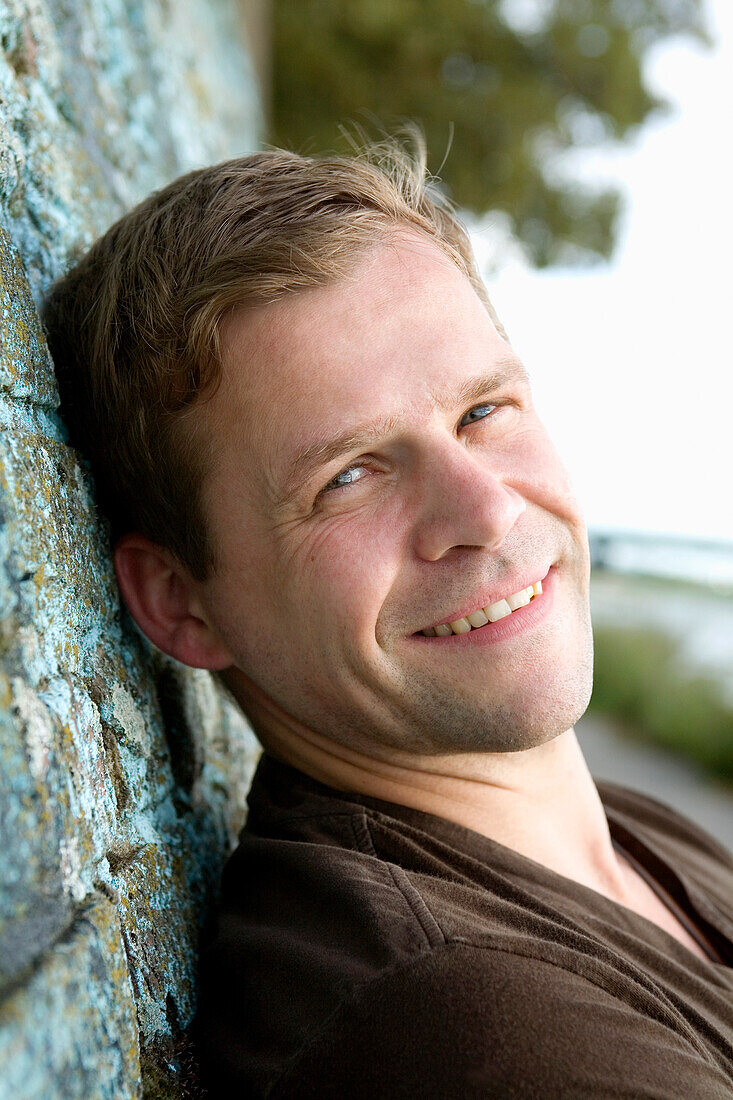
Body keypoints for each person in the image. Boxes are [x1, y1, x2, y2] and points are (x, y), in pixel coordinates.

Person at [43, 138, 733, 1098]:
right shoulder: (469, 1024)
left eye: (483, 411)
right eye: (349, 476)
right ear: (180, 602)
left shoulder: (618, 835)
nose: (486, 510)